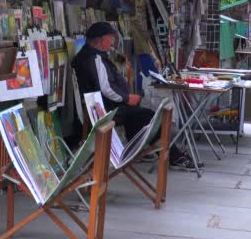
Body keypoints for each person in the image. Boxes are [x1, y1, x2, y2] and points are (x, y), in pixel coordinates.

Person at [72, 22, 196, 170]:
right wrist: (126, 98)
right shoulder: (94, 58)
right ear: (101, 39)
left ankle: (137, 151)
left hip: (102, 106)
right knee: (148, 115)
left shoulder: (92, 55)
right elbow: (106, 88)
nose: (111, 41)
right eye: (110, 38)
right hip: (104, 110)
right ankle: (174, 156)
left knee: (138, 112)